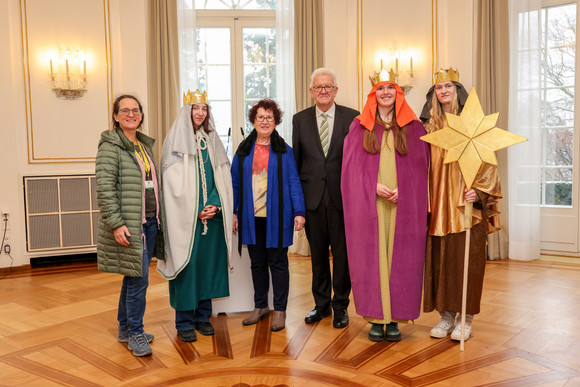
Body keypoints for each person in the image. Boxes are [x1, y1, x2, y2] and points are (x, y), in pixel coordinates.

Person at [341, 73, 429, 342]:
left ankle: (395, 319)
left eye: (391, 88)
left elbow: (422, 169)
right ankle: (377, 319)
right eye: (381, 89)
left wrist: (406, 190)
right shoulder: (359, 126)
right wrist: (372, 187)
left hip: (403, 205)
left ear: (398, 92)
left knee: (400, 258)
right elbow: (350, 170)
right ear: (373, 94)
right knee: (374, 258)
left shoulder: (414, 128)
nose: (386, 93)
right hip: (372, 204)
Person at [420, 68, 501, 341]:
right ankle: (445, 317)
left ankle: (465, 319)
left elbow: (489, 162)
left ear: (457, 90)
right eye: (439, 87)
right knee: (440, 262)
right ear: (434, 94)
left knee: (467, 262)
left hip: (464, 207)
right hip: (437, 206)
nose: (443, 91)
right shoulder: (428, 127)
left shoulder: (472, 124)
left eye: (448, 86)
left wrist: (478, 191)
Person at [157, 89, 233, 343]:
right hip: (186, 221)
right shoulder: (175, 142)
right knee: (187, 268)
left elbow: (221, 177)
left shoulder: (211, 140)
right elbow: (171, 184)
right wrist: (193, 209)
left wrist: (215, 204)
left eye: (204, 109)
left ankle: (203, 317)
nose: (200, 113)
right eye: (195, 108)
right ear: (186, 111)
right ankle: (184, 322)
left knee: (208, 267)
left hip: (210, 218)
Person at [96, 94, 165, 357]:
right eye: (124, 110)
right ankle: (136, 332)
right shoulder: (110, 146)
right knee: (139, 280)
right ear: (115, 116)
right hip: (129, 225)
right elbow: (104, 189)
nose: (131, 114)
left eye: (135, 110)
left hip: (148, 222)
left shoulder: (142, 146)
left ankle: (125, 328)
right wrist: (116, 224)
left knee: (132, 276)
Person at [292, 68, 359, 328]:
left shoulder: (352, 118)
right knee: (318, 256)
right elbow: (296, 164)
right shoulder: (300, 120)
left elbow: (357, 162)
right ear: (311, 91)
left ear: (335, 90)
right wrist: (297, 205)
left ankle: (340, 305)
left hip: (343, 200)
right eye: (318, 87)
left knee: (342, 257)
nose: (323, 91)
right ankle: (321, 305)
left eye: (327, 87)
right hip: (312, 201)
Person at [232, 99, 305, 332]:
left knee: (279, 263)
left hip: (278, 217)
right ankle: (260, 306)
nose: (264, 121)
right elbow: (234, 184)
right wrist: (234, 212)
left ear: (276, 122)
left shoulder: (284, 151)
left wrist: (299, 212)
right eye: (260, 117)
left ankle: (280, 310)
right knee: (257, 264)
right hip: (251, 218)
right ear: (253, 120)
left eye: (269, 117)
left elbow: (294, 182)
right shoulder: (243, 151)